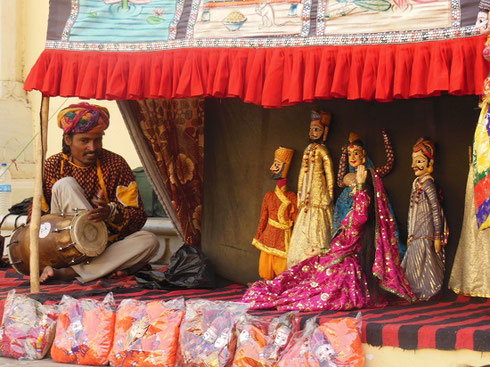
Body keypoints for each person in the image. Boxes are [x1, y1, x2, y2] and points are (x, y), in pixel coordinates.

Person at [242, 165, 415, 311]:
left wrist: (361, 186)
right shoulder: (356, 208)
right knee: (302, 273)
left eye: (354, 188)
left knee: (310, 288)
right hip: (338, 257)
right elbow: (345, 241)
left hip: (345, 267)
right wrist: (322, 250)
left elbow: (358, 220)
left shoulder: (362, 209)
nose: (352, 192)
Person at [38, 102, 159, 283]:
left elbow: (138, 216)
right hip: (63, 246)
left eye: (98, 139)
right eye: (85, 140)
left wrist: (110, 213)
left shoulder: (116, 164)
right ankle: (105, 268)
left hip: (105, 245)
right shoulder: (52, 165)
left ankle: (70, 273)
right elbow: (38, 219)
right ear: (68, 140)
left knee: (150, 241)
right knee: (64, 185)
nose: (93, 147)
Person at [287, 111, 334, 268]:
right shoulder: (307, 149)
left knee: (319, 223)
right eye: (311, 129)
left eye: (316, 129)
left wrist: (331, 191)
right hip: (307, 196)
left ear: (324, 132)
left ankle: (317, 261)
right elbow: (302, 172)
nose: (313, 133)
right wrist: (300, 191)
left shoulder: (323, 150)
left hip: (319, 194)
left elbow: (329, 172)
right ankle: (299, 261)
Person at [401, 138, 447, 301]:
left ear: (429, 162)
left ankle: (428, 292)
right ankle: (415, 293)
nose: (414, 165)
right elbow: (411, 212)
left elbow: (436, 209)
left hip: (426, 234)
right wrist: (410, 234)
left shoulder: (428, 184)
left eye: (419, 161)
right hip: (416, 235)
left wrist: (436, 235)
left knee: (426, 266)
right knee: (413, 266)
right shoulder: (416, 184)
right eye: (413, 161)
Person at [252, 147, 297, 280]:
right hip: (269, 235)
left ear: (284, 167)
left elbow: (296, 219)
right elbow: (263, 218)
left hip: (284, 237)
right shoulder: (269, 195)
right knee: (266, 271)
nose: (272, 167)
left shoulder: (292, 196)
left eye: (276, 164)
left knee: (282, 271)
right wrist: (259, 234)